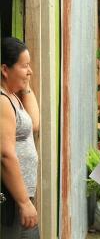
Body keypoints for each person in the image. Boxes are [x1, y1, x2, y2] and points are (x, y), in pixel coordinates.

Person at [1, 37, 40, 238]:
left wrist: (24, 84)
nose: (30, 71)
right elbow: (6, 155)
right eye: (25, 66)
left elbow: (33, 123)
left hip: (20, 196)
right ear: (5, 70)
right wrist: (24, 202)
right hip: (10, 198)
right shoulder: (2, 101)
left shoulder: (13, 96)